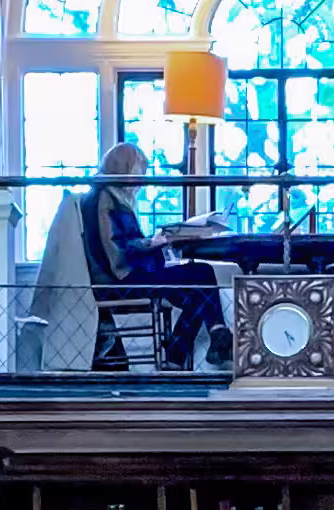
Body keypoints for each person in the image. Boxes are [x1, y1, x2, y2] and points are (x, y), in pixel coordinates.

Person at [84, 141, 228, 370]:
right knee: (202, 274)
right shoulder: (104, 198)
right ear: (124, 170)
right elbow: (114, 250)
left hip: (128, 275)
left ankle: (190, 350)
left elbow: (122, 243)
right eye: (138, 173)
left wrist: (154, 244)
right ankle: (196, 346)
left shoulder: (109, 196)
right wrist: (153, 242)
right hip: (121, 280)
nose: (141, 181)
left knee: (198, 294)